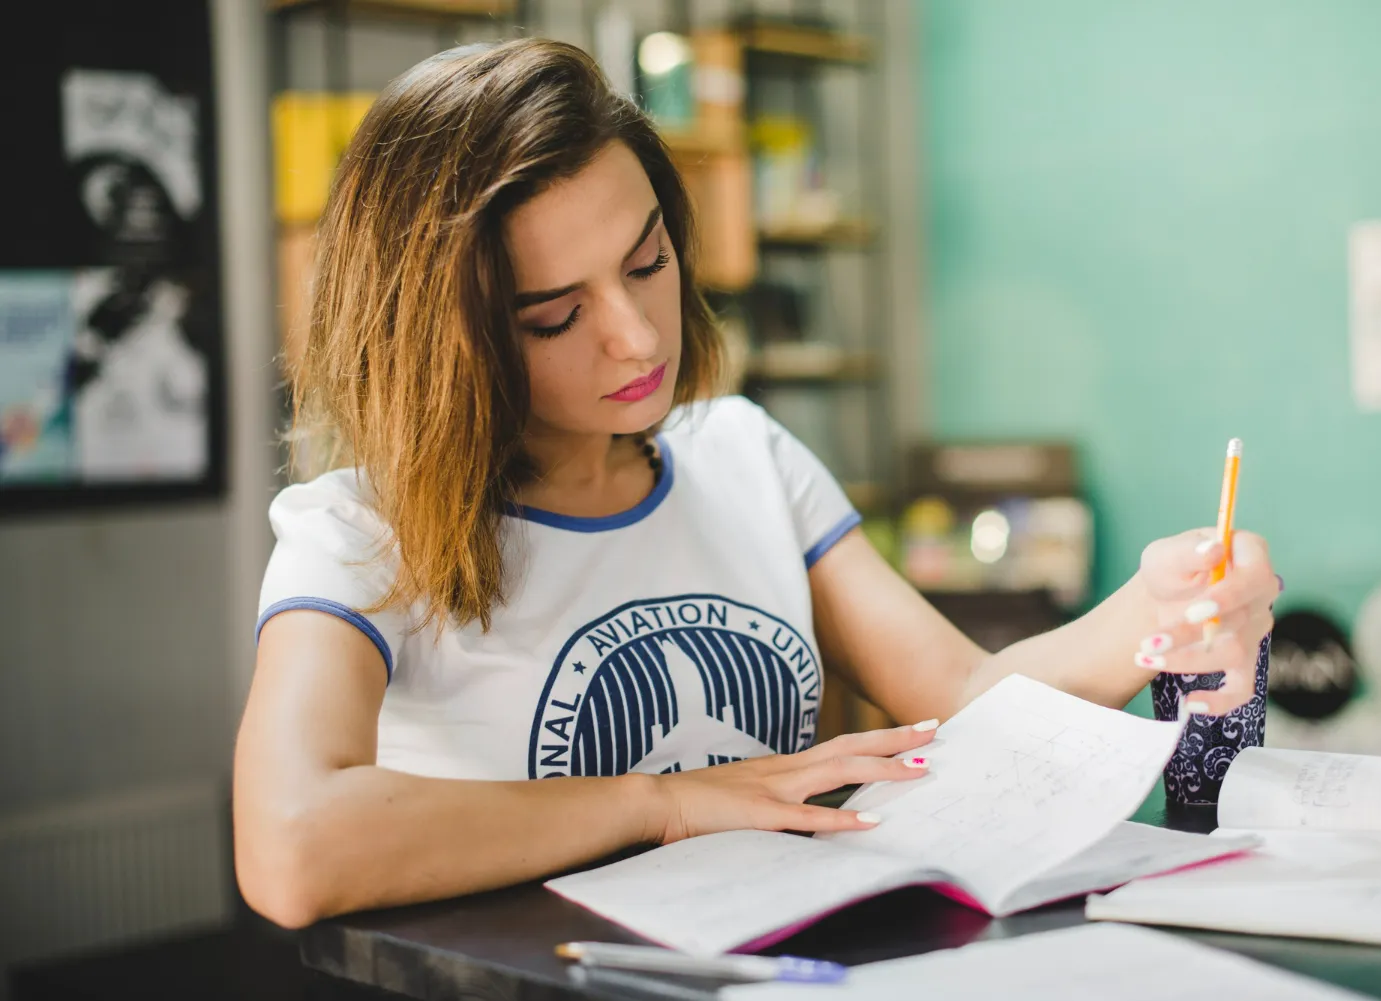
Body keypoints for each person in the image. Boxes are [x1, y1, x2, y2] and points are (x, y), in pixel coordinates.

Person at [233, 39, 1278, 929]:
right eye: (553, 316)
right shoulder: (357, 532)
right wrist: (665, 804)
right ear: (446, 342)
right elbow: (291, 844)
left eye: (647, 263)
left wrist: (1157, 610)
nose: (637, 334)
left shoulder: (744, 452)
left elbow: (958, 700)